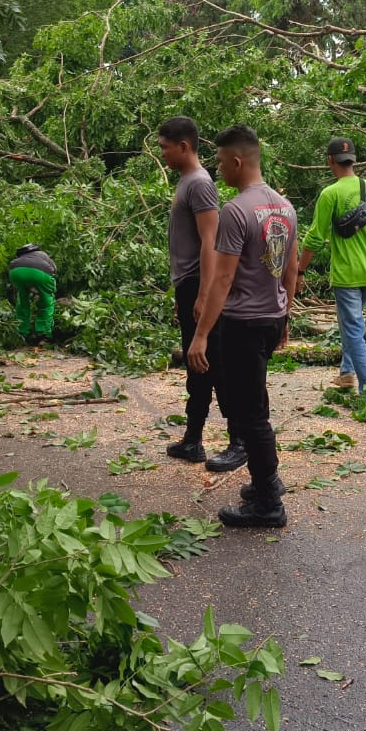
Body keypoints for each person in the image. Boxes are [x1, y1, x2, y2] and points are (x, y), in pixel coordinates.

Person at [187, 124, 298, 528]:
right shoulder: (284, 206)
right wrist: (284, 317)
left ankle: (268, 500)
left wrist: (201, 335)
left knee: (249, 413)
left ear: (237, 161)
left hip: (243, 323)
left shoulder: (236, 210)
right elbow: (290, 270)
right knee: (256, 401)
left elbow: (222, 279)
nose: (218, 170)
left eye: (219, 162)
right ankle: (265, 483)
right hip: (269, 319)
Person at [158, 117, 241, 468]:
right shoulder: (186, 182)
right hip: (188, 284)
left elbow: (212, 241)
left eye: (164, 147)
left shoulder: (200, 184)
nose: (162, 154)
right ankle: (194, 439)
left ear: (184, 146)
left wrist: (205, 295)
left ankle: (239, 440)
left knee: (215, 363)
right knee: (197, 367)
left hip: (199, 283)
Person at [296, 136, 366, 394]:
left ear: (330, 161)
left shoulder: (331, 194)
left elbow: (315, 237)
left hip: (346, 274)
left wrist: (300, 269)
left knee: (352, 329)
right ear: (354, 160)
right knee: (352, 324)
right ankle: (347, 373)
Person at [6, 244, 58, 341]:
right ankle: (44, 333)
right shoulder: (42, 254)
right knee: (46, 301)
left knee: (22, 301)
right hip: (41, 273)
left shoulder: (20, 257)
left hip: (15, 271)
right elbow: (54, 269)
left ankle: (22, 332)